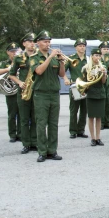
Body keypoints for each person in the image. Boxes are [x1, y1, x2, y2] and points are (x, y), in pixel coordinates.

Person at [30, 30, 66, 162]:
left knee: (53, 123)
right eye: (45, 41)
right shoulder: (34, 57)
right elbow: (39, 71)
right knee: (41, 123)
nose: (47, 43)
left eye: (48, 41)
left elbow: (61, 75)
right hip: (41, 94)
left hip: (54, 94)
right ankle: (42, 151)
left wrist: (61, 61)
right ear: (38, 43)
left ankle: (52, 150)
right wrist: (50, 57)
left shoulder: (55, 58)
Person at [9, 33, 38, 153]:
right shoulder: (18, 57)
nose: (32, 43)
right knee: (24, 118)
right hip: (24, 90)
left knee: (35, 118)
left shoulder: (39, 56)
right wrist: (20, 82)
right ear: (24, 43)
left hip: (36, 90)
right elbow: (11, 74)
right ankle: (26, 143)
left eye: (33, 41)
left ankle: (34, 142)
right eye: (30, 41)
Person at [0, 42, 21, 142]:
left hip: (21, 89)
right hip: (11, 92)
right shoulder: (4, 62)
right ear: (8, 52)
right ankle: (13, 134)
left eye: (16, 51)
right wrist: (7, 69)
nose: (14, 53)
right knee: (12, 114)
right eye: (12, 51)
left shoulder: (22, 61)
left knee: (22, 114)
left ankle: (21, 134)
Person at [63, 38, 88, 139]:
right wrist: (65, 79)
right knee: (74, 109)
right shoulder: (71, 58)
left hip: (86, 87)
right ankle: (73, 130)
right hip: (74, 86)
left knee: (84, 110)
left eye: (83, 45)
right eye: (80, 45)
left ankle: (81, 130)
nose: (82, 47)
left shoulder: (88, 59)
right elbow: (62, 71)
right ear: (76, 47)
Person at [83, 48, 107, 146]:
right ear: (92, 56)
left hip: (100, 93)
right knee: (91, 116)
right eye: (96, 55)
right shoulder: (86, 68)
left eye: (99, 55)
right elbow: (85, 81)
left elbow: (103, 82)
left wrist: (104, 74)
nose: (97, 57)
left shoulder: (102, 67)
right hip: (91, 93)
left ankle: (98, 137)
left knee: (99, 117)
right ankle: (92, 138)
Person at [99, 41, 109, 129]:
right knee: (101, 104)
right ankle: (101, 122)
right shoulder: (98, 59)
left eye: (107, 49)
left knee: (108, 104)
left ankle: (107, 122)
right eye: (104, 49)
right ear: (100, 49)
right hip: (100, 84)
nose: (106, 50)